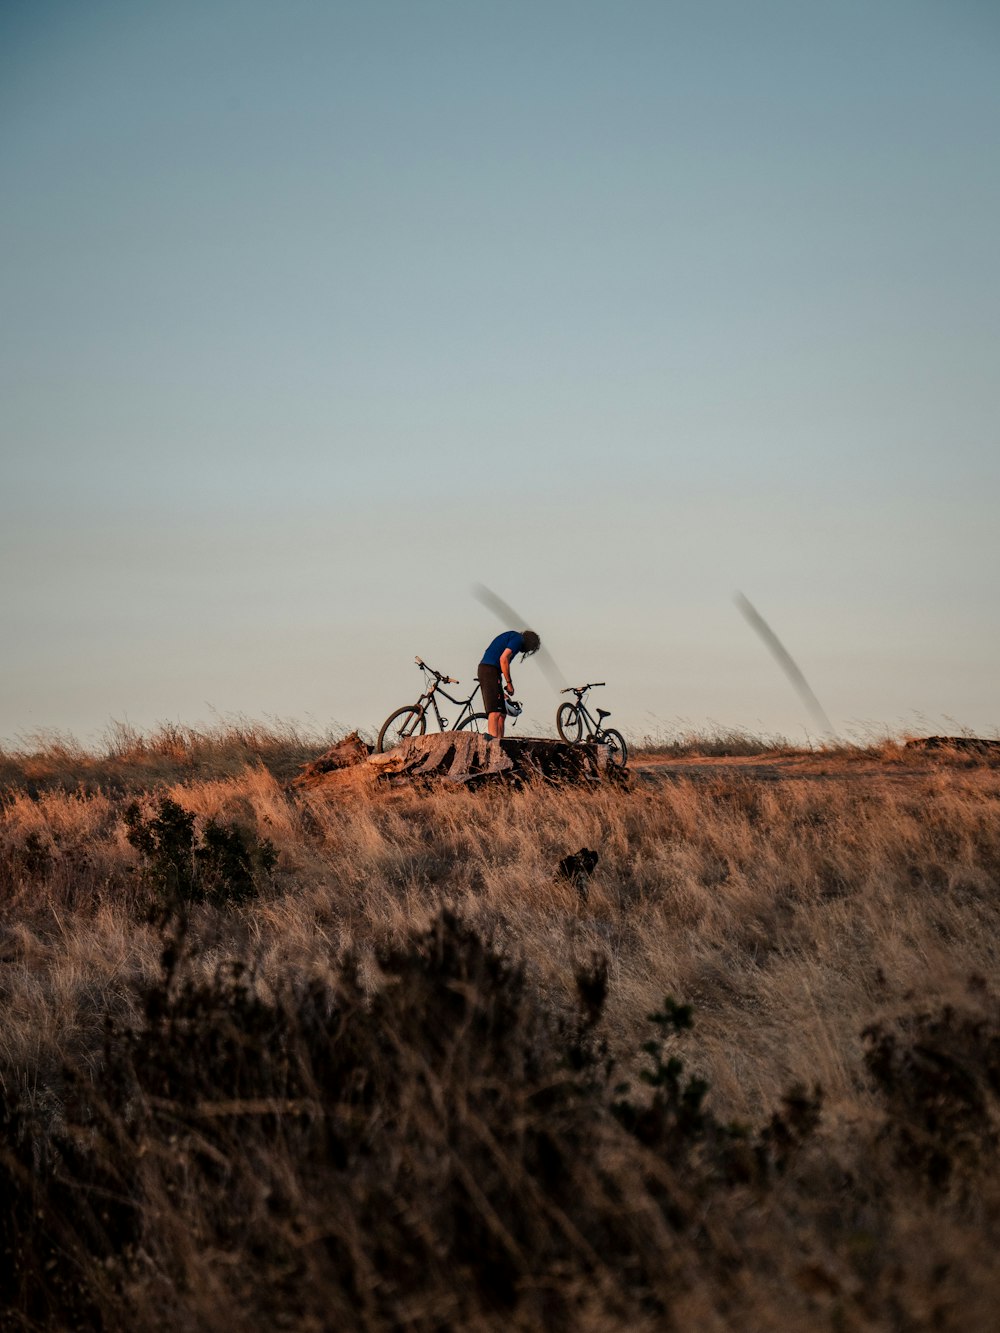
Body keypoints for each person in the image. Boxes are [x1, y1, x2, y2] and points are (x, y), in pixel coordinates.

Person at [477, 629, 540, 739]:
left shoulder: (513, 637)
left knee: (502, 713)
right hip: (489, 670)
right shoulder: (518, 639)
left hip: (493, 672)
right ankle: (493, 746)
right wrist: (509, 683)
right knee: (495, 712)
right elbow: (503, 659)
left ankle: (500, 743)